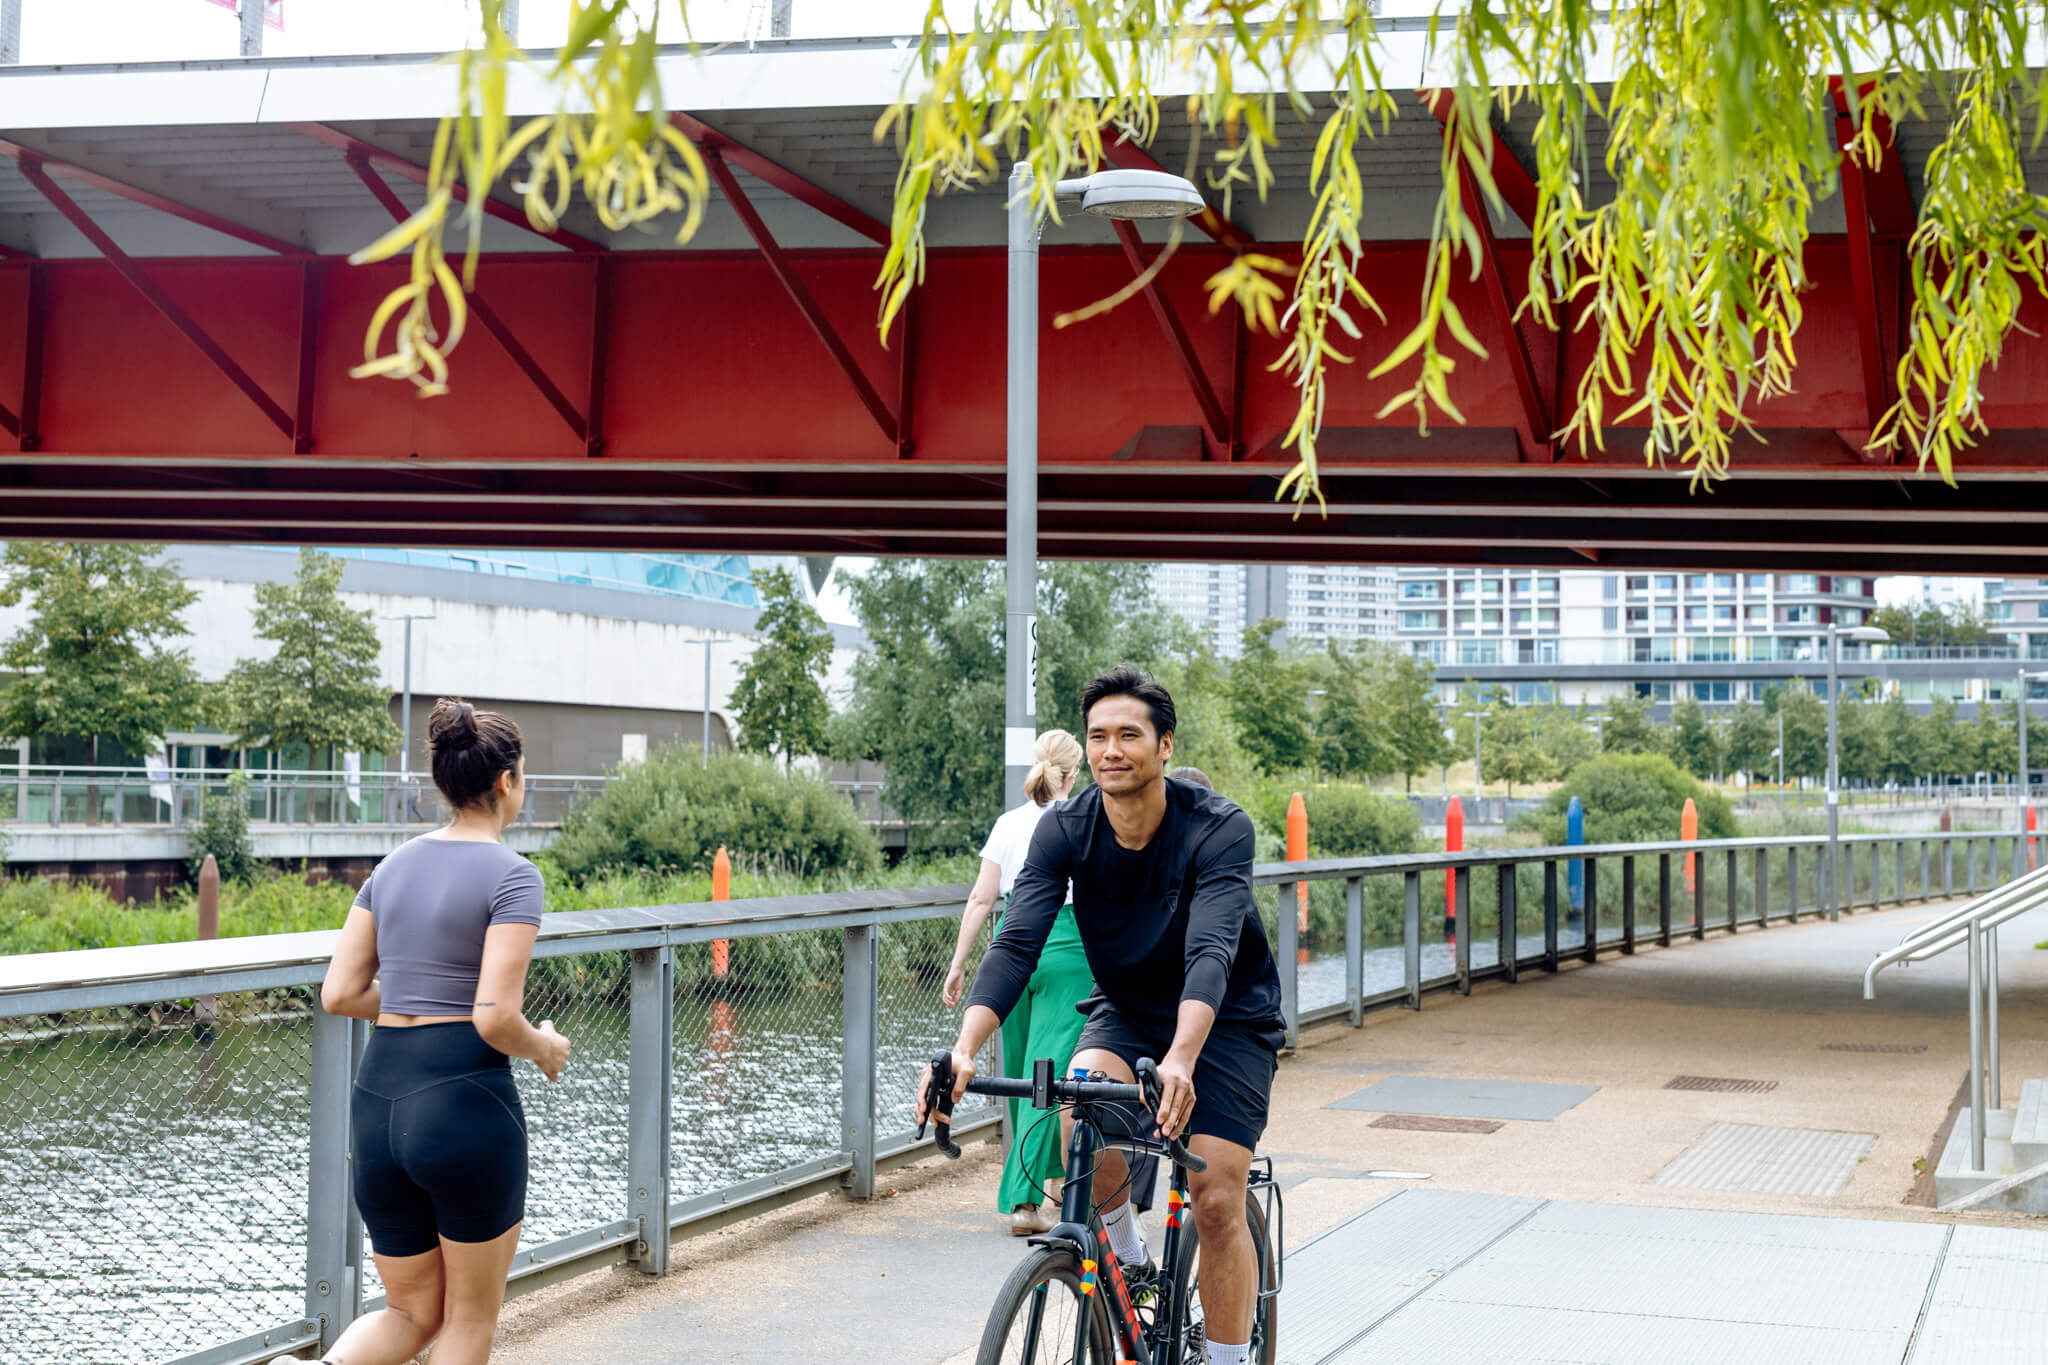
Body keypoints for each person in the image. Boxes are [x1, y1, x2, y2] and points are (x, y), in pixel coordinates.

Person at [918, 667, 1285, 1365]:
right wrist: (965, 1047)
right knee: (1074, 1112)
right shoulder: (1066, 827)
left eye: (1129, 734)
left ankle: (1231, 1357)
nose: (1111, 749)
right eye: (1098, 736)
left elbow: (1211, 948)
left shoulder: (1218, 827)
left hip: (1228, 1017)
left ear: (1165, 745)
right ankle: (1128, 1257)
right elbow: (1018, 938)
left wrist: (1182, 1056)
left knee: (1212, 1197)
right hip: (1127, 1007)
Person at [287, 699, 571, 1365]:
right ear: (506, 781)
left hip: (379, 1098)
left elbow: (340, 992)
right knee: (468, 1323)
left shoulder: (393, 867)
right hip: (462, 1098)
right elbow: (495, 1016)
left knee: (410, 1311)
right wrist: (546, 1045)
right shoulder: (513, 875)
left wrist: (417, 996)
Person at [942, 728, 1088, 1235]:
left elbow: (981, 899)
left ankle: (1027, 1197)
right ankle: (1030, 1202)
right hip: (1067, 946)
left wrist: (960, 964)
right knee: (1052, 1077)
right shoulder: (1084, 820)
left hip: (1012, 946)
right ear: (1076, 772)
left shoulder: (1008, 824)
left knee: (1022, 1079)